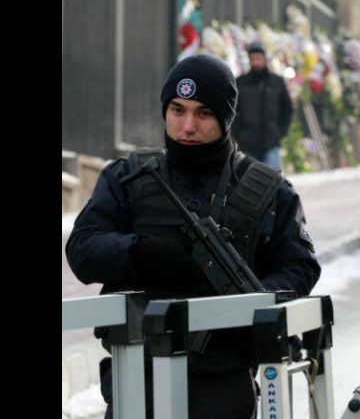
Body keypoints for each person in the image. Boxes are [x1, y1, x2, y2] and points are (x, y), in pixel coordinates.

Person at [66, 54, 321, 419]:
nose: (187, 126)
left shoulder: (267, 190)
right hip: (138, 376)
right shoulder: (128, 178)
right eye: (177, 109)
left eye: (203, 113)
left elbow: (299, 267)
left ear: (225, 117)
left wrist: (252, 304)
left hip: (223, 381)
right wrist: (141, 253)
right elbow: (82, 250)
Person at [232, 42, 294, 171]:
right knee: (248, 180)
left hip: (271, 141)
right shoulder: (240, 83)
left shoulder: (276, 82)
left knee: (273, 180)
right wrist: (238, 133)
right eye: (253, 59)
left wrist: (280, 131)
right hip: (248, 142)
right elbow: (232, 110)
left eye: (258, 58)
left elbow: (287, 109)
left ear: (265, 59)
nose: (256, 62)